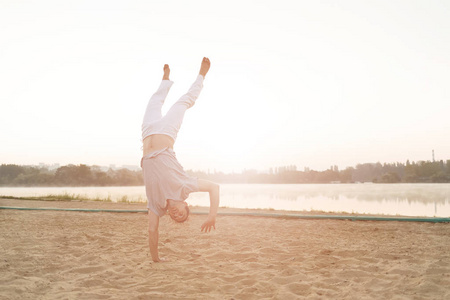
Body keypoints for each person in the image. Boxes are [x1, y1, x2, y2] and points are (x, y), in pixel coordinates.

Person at [141, 57, 219, 262]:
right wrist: (212, 215)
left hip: (147, 133)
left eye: (175, 217)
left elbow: (152, 230)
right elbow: (214, 187)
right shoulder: (185, 187)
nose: (177, 214)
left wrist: (156, 259)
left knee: (153, 102)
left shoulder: (157, 205)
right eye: (182, 214)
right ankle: (202, 74)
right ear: (185, 204)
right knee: (183, 101)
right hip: (166, 132)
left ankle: (165, 82)